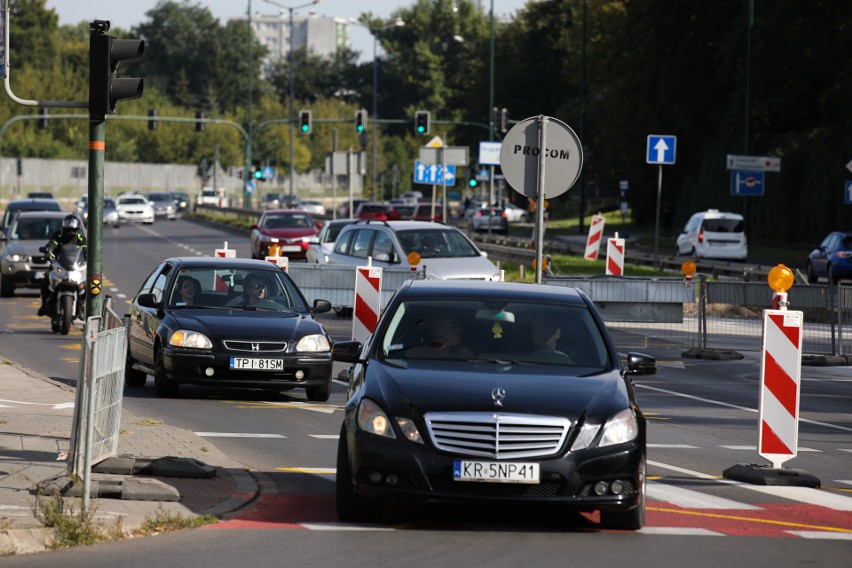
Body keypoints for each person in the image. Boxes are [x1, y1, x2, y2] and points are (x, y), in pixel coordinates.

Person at [37, 214, 87, 317]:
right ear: (63, 227)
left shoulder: (81, 238)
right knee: (46, 279)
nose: (70, 232)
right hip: (59, 266)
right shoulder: (58, 236)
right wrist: (48, 251)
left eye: (72, 229)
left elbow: (85, 250)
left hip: (75, 268)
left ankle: (81, 307)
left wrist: (88, 256)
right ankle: (44, 304)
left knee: (85, 284)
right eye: (68, 229)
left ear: (77, 229)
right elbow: (52, 244)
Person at [407, 313, 474, 359]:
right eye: (454, 326)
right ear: (439, 331)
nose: (460, 330)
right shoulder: (416, 355)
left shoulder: (464, 354)